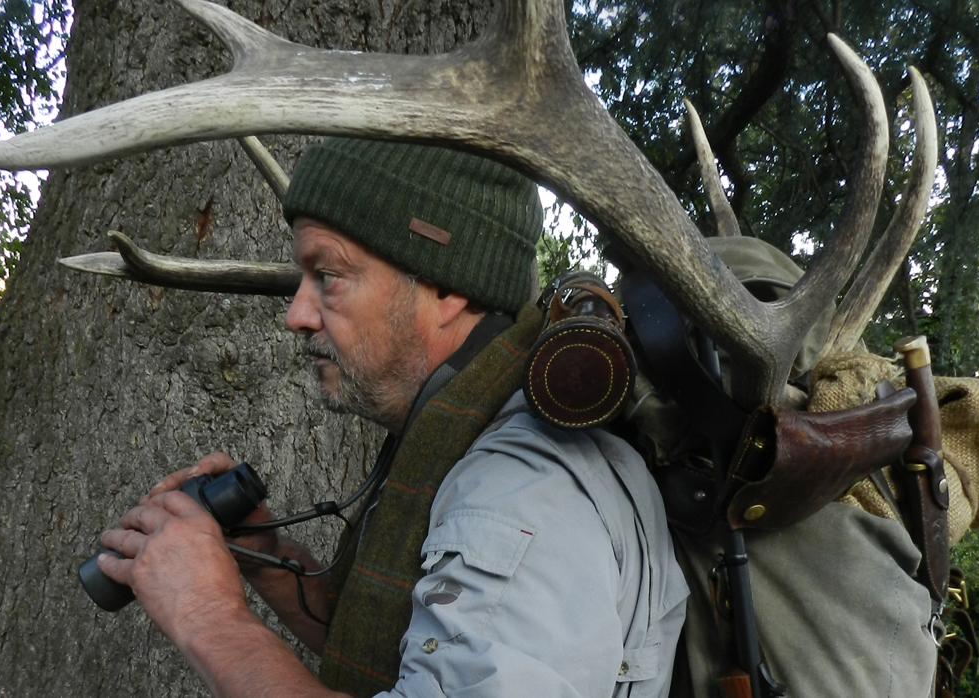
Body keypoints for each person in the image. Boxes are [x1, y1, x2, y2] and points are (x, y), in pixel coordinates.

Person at [95, 138, 688, 697]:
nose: (297, 314)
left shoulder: (521, 497)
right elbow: (412, 649)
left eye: (327, 276)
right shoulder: (454, 435)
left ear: (445, 286)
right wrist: (264, 550)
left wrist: (206, 616)